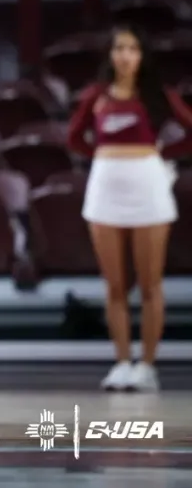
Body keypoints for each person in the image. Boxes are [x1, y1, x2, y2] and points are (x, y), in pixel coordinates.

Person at [68, 23, 192, 392]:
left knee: (150, 283)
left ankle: (148, 365)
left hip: (148, 185)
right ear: (110, 54)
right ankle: (121, 361)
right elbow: (75, 138)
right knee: (114, 284)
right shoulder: (96, 96)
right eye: (119, 48)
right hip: (106, 186)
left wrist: (158, 156)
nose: (125, 56)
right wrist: (105, 158)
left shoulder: (159, 94)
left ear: (142, 56)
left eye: (132, 49)